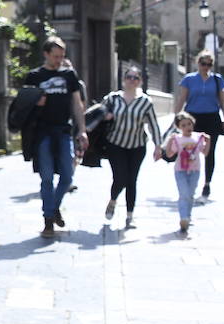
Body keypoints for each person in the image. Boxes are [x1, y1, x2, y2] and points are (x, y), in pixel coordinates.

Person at [21, 37, 88, 237]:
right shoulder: (34, 76)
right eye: (56, 56)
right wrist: (36, 103)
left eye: (62, 56)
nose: (59, 60)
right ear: (46, 54)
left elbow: (77, 104)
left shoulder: (69, 75)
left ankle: (54, 207)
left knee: (67, 176)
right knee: (47, 177)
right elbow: (23, 105)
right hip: (42, 133)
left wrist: (82, 129)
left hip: (63, 131)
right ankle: (48, 220)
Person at [101, 66, 162, 229]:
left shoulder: (145, 101)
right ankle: (113, 200)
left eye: (136, 78)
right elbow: (99, 113)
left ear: (140, 81)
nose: (132, 80)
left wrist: (158, 145)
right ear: (123, 79)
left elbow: (153, 124)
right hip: (116, 144)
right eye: (129, 77)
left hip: (137, 146)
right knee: (120, 177)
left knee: (131, 180)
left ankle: (130, 215)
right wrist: (106, 115)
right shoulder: (113, 98)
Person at [173, 52, 224, 198]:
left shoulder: (217, 79)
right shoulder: (189, 79)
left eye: (209, 64)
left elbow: (222, 100)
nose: (206, 67)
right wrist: (176, 117)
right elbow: (182, 98)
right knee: (190, 150)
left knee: (210, 152)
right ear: (197, 63)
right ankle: (189, 181)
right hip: (193, 118)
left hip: (212, 118)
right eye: (203, 64)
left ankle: (207, 183)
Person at [156, 112, 210, 233]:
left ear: (193, 124)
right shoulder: (178, 139)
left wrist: (208, 141)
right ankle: (183, 218)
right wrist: (170, 141)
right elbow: (170, 154)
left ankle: (188, 217)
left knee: (190, 194)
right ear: (180, 127)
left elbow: (205, 153)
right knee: (183, 194)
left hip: (195, 170)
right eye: (184, 125)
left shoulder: (197, 137)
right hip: (180, 170)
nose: (187, 127)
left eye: (189, 124)